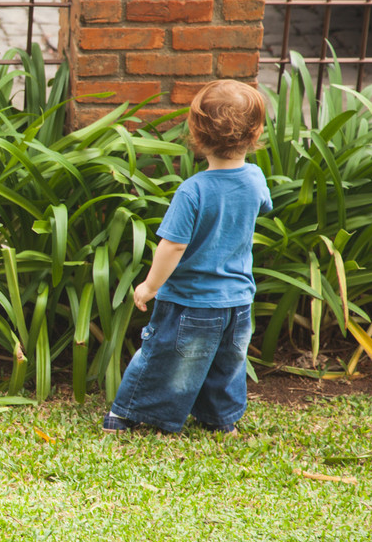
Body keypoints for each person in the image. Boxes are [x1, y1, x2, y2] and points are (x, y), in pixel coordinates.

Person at [103, 79, 273, 435]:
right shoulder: (256, 179)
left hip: (192, 302)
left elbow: (173, 246)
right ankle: (220, 420)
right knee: (227, 364)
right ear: (255, 133)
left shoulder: (193, 191)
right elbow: (262, 208)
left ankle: (128, 413)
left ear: (197, 134)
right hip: (238, 301)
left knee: (166, 359)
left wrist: (150, 286)